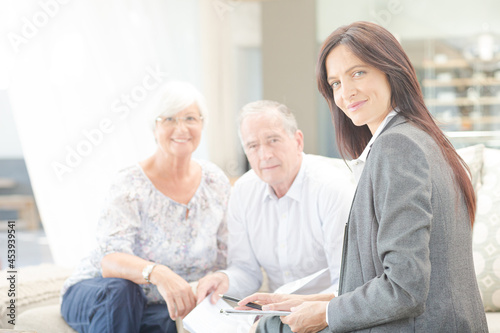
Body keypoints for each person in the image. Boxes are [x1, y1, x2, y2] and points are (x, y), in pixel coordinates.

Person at [240, 21, 488, 332]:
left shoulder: (397, 147)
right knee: (275, 320)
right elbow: (394, 279)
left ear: (390, 70)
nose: (347, 93)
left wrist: (327, 314)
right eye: (336, 83)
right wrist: (314, 303)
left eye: (358, 73)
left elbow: (404, 288)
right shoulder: (421, 138)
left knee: (268, 328)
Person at [60, 81, 231, 333]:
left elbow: (226, 256)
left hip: (158, 305)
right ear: (154, 128)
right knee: (122, 291)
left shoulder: (216, 181)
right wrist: (159, 273)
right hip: (101, 291)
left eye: (190, 118)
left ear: (202, 124)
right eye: (170, 119)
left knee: (170, 321)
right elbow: (110, 260)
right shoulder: (130, 183)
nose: (181, 128)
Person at [196, 100, 355, 305]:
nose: (265, 155)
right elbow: (246, 271)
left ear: (298, 141)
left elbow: (347, 285)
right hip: (275, 315)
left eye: (273, 140)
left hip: (328, 313)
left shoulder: (332, 189)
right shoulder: (243, 192)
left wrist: (301, 308)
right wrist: (224, 280)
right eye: (252, 146)